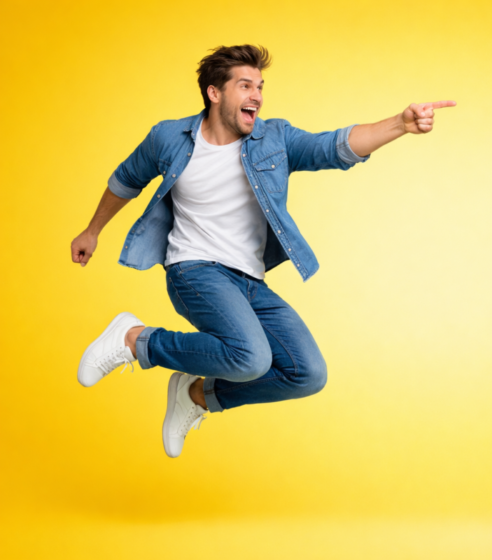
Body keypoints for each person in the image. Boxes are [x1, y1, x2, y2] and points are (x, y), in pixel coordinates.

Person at [71, 44, 455, 458]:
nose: (256, 95)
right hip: (193, 269)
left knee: (307, 373)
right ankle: (134, 339)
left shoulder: (274, 139)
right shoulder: (169, 137)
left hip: (249, 280)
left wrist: (399, 123)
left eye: (260, 86)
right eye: (245, 85)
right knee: (250, 357)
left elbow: (332, 148)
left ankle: (197, 395)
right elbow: (127, 179)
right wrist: (93, 230)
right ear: (215, 93)